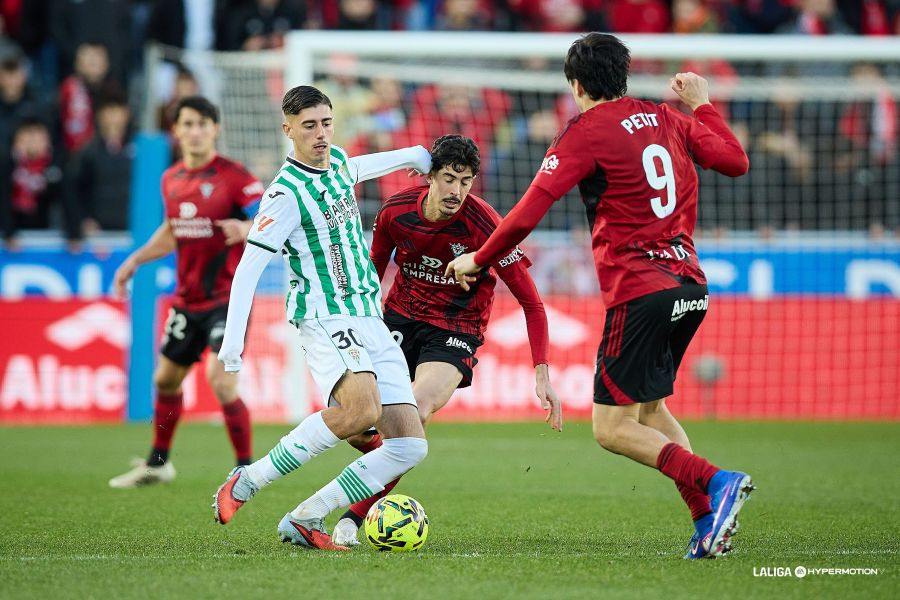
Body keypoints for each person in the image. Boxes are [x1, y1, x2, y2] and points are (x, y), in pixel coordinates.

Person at [445, 33, 753, 560]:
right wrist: (702, 105)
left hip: (639, 290)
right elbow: (735, 162)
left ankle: (718, 480)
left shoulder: (585, 132)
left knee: (612, 428)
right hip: (690, 288)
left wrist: (478, 257)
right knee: (652, 411)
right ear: (624, 76)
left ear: (577, 85)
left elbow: (527, 212)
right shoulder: (669, 117)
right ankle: (707, 523)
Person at [212, 85, 433, 551]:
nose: (320, 134)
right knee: (361, 411)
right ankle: (247, 481)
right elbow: (248, 269)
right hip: (325, 316)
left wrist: (416, 154)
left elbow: (366, 165)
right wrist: (232, 347)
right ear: (287, 130)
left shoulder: (338, 165)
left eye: (326, 123)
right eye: (309, 126)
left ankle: (306, 516)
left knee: (409, 446)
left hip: (369, 315)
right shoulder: (284, 194)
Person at [330, 134, 562, 546]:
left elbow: (533, 303)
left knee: (414, 411)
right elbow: (371, 274)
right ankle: (390, 461)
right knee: (355, 424)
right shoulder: (396, 211)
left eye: (466, 181)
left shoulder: (486, 225)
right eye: (450, 179)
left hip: (455, 330)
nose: (457, 191)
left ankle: (352, 518)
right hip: (397, 318)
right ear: (430, 176)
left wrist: (542, 373)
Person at [108, 96, 264, 489]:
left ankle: (246, 470)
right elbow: (173, 229)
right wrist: (136, 260)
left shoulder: (234, 176)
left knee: (220, 378)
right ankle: (159, 463)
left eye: (202, 123)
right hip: (188, 300)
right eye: (187, 124)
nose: (195, 131)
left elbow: (269, 216)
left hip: (228, 299)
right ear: (175, 131)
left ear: (216, 128)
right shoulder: (171, 178)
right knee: (164, 379)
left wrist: (246, 229)